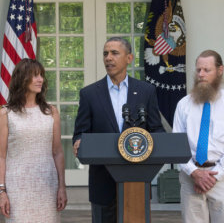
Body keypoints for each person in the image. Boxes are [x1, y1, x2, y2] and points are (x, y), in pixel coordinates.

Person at [73, 37, 164, 223]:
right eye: (105, 53)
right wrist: (79, 141)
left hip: (137, 181)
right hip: (102, 183)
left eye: (115, 53)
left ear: (129, 58)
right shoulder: (89, 94)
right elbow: (80, 132)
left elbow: (156, 130)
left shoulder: (146, 91)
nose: (108, 58)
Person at [0, 58, 67, 222]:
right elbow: (1, 156)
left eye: (41, 76)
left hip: (47, 186)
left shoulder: (51, 112)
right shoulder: (6, 113)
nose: (40, 80)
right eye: (35, 75)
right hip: (17, 187)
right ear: (22, 78)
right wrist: (2, 191)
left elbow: (57, 152)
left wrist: (62, 187)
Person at [173, 50, 224, 223]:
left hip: (221, 178)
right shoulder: (183, 105)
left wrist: (214, 177)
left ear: (220, 70)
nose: (201, 75)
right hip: (190, 178)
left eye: (206, 70)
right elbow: (176, 145)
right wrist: (194, 172)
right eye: (198, 70)